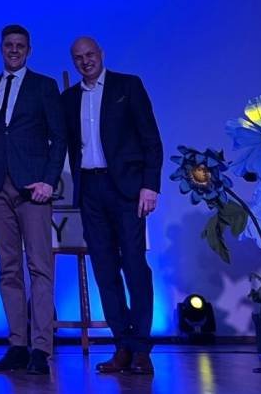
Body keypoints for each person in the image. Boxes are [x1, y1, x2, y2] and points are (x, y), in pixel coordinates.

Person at [63, 36, 163, 376]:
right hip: (90, 190)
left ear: (101, 54)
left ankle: (141, 348)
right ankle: (122, 345)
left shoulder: (127, 86)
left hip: (127, 190)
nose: (85, 61)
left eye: (90, 54)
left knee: (134, 266)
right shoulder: (69, 98)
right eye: (78, 57)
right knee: (104, 269)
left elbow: (151, 139)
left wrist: (150, 185)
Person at [0, 24, 66, 375]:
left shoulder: (44, 86)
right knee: (8, 268)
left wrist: (49, 181)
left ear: (29, 50)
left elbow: (59, 138)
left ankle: (41, 349)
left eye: (20, 46)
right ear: (1, 48)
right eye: (9, 45)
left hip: (34, 188)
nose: (14, 50)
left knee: (40, 267)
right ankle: (17, 345)